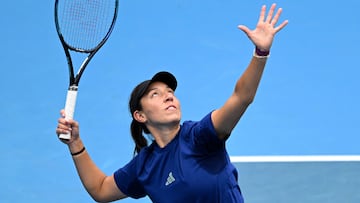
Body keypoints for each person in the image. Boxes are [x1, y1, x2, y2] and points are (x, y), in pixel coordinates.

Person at [56, 3, 288, 203]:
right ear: (140, 115)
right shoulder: (145, 166)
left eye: (170, 92)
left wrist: (261, 52)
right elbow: (100, 189)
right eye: (155, 94)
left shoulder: (200, 137)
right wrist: (75, 143)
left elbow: (242, 97)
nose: (169, 96)